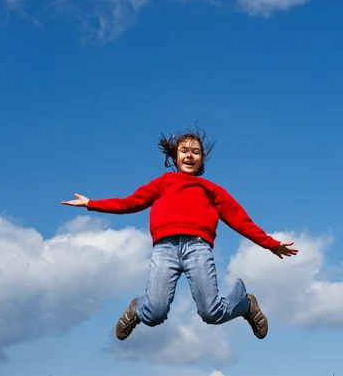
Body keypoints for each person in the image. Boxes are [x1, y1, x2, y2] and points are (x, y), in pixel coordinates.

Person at [62, 131, 298, 342]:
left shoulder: (211, 190)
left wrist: (271, 244)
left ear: (202, 160)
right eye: (184, 150)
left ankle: (245, 303)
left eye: (196, 152)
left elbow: (241, 221)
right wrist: (91, 204)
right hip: (165, 249)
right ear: (174, 157)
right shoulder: (164, 182)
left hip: (198, 248)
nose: (189, 155)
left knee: (211, 313)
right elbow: (129, 202)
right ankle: (136, 310)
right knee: (153, 313)